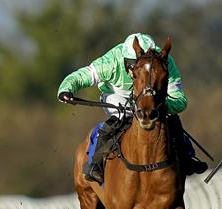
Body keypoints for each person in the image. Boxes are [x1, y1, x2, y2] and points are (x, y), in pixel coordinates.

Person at [57, 32, 207, 184]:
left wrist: (162, 106)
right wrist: (66, 89)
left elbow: (180, 100)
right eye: (134, 63)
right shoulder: (111, 61)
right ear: (125, 59)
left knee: (170, 117)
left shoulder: (164, 62)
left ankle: (187, 157)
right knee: (123, 117)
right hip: (117, 94)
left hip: (151, 96)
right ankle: (95, 163)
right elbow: (83, 75)